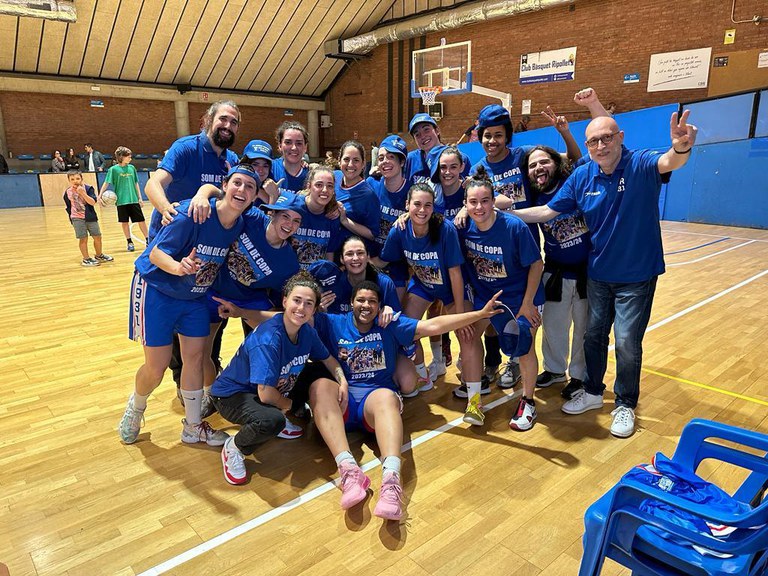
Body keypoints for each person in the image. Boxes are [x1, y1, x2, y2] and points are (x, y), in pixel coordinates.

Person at [512, 110, 698, 438]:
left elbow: (670, 161)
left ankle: (625, 403)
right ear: (588, 146)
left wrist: (681, 147)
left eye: (607, 138)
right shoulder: (583, 177)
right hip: (598, 273)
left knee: (626, 341)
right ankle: (594, 393)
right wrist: (502, 215)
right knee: (593, 337)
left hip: (637, 275)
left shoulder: (639, 163)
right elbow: (546, 211)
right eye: (594, 141)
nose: (601, 145)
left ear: (620, 138)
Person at [308, 281, 505, 519]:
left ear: (380, 305)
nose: (366, 305)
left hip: (375, 402)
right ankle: (349, 471)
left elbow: (433, 325)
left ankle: (391, 482)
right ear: (351, 303)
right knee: (319, 386)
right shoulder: (333, 322)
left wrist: (480, 314)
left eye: (372, 301)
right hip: (344, 402)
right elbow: (292, 319)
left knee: (386, 397)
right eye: (360, 300)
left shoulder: (390, 325)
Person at [118, 164, 258, 446]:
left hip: (194, 296)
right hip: (157, 289)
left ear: (254, 196)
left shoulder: (239, 223)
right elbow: (156, 253)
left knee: (194, 358)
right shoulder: (194, 213)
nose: (241, 190)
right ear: (225, 186)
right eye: (237, 184)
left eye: (249, 187)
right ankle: (136, 408)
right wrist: (178, 267)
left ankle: (193, 426)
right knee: (155, 367)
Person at [210, 272, 349, 485]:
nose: (301, 308)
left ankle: (281, 411)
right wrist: (291, 406)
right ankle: (235, 448)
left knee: (320, 373)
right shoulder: (268, 340)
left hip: (271, 386)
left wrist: (343, 382)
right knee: (270, 421)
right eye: (297, 300)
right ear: (284, 301)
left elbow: (329, 360)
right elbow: (265, 395)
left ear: (315, 309)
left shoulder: (306, 332)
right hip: (232, 396)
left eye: (308, 303)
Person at [144, 100, 241, 391]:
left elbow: (227, 193)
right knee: (175, 313)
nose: (228, 126)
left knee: (208, 313)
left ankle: (206, 365)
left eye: (234, 122)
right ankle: (180, 376)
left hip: (208, 251)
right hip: (173, 248)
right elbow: (153, 184)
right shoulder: (186, 148)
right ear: (208, 120)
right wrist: (168, 212)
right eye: (223, 119)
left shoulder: (231, 160)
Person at [458, 168, 544, 430]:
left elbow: (537, 265)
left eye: (485, 200)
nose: (479, 207)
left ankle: (528, 401)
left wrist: (528, 303)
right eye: (473, 202)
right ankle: (474, 401)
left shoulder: (513, 227)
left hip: (520, 296)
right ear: (465, 204)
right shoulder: (462, 228)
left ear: (494, 201)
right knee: (469, 335)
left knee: (524, 346)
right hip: (486, 297)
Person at [202, 192, 304, 404]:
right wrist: (201, 195)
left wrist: (246, 313)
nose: (289, 224)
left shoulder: (289, 264)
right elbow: (221, 197)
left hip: (250, 300)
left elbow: (281, 311)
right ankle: (210, 394)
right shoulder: (251, 217)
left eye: (296, 221)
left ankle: (259, 392)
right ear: (272, 214)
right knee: (202, 351)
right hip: (216, 290)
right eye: (285, 217)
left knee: (270, 339)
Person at [373, 183, 475, 396]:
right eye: (417, 204)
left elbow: (455, 273)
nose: (422, 210)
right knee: (406, 329)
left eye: (427, 205)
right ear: (407, 205)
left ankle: (473, 382)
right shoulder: (399, 230)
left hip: (450, 288)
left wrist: (459, 311)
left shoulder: (444, 229)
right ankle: (421, 375)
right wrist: (361, 260)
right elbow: (384, 260)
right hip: (423, 286)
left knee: (465, 332)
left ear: (433, 207)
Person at [525, 144, 590, 400]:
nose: (539, 168)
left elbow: (577, 157)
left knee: (583, 327)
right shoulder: (533, 195)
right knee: (553, 325)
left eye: (544, 162)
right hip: (555, 270)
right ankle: (553, 369)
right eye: (532, 165)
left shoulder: (573, 182)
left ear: (556, 163)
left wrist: (564, 134)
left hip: (587, 271)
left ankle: (579, 376)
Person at [366, 134, 411, 299]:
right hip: (370, 260)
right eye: (381, 158)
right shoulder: (371, 184)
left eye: (391, 157)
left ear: (402, 162)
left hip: (398, 265)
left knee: (395, 314)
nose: (385, 161)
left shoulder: (412, 192)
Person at [291, 165, 343, 268]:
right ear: (309, 186)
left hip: (315, 277)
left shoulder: (332, 216)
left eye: (330, 186)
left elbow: (329, 254)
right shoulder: (294, 207)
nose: (325, 190)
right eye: (319, 185)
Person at [99, 146, 148, 252]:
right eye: (128, 156)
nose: (130, 158)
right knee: (124, 222)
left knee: (141, 221)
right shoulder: (113, 170)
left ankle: (148, 239)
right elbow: (106, 182)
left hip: (133, 200)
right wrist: (100, 195)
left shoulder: (132, 168)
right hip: (121, 201)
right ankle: (129, 242)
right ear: (121, 157)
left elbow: (136, 183)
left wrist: (140, 197)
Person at [62, 169, 113, 267]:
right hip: (77, 218)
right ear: (69, 180)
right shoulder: (67, 192)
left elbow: (92, 202)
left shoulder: (88, 188)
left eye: (77, 178)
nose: (75, 181)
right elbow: (68, 207)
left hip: (90, 217)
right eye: (72, 179)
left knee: (97, 236)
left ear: (81, 179)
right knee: (83, 239)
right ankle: (86, 259)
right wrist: (72, 219)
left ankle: (99, 255)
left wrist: (83, 193)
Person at [335, 140, 380, 247]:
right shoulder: (333, 178)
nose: (350, 164)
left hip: (350, 254)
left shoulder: (368, 195)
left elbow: (372, 234)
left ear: (363, 163)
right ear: (339, 161)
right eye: (346, 159)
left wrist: (345, 221)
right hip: (327, 248)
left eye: (356, 160)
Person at [404, 112, 470, 183]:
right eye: (417, 134)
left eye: (426, 130)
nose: (423, 136)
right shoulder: (410, 159)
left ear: (437, 130)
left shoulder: (459, 157)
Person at [272, 121, 310, 195]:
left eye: (299, 143)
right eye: (288, 142)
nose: (294, 148)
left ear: (305, 147)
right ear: (280, 145)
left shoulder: (312, 175)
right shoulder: (269, 168)